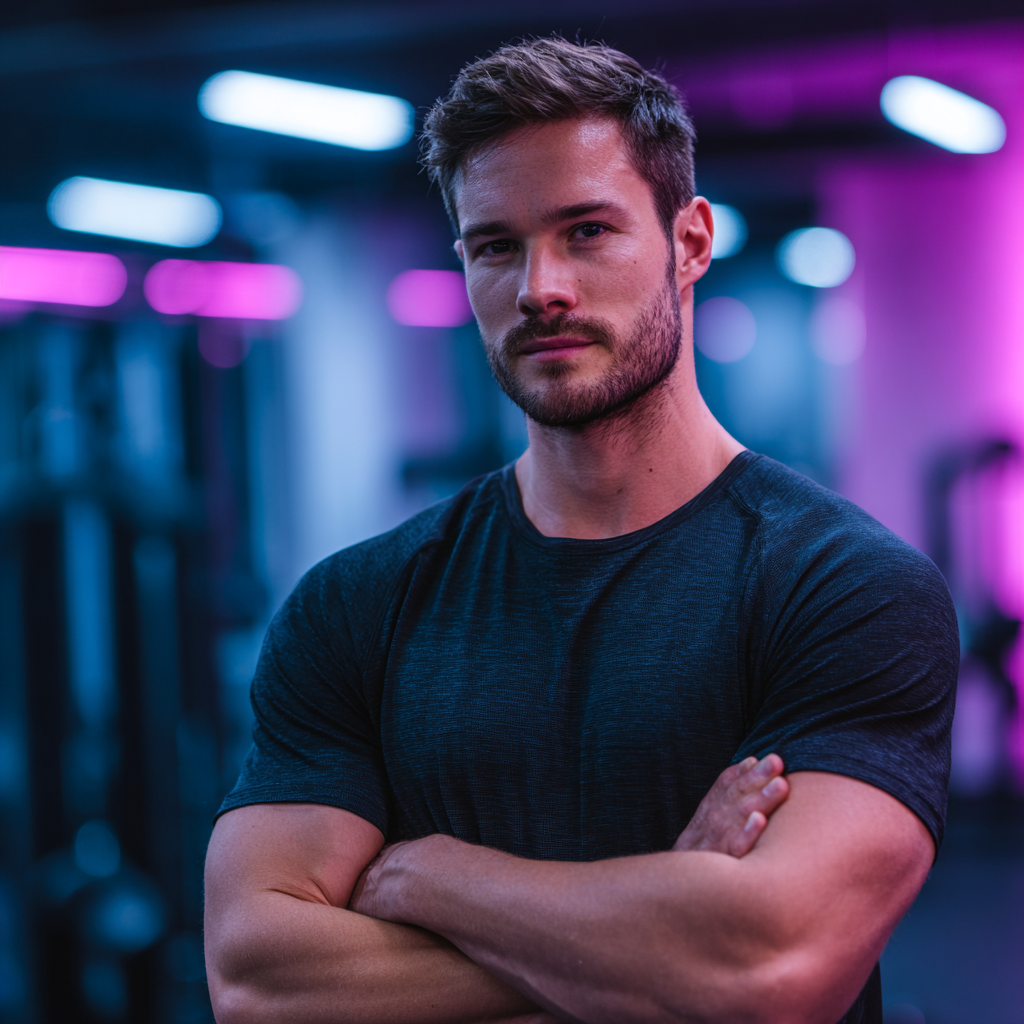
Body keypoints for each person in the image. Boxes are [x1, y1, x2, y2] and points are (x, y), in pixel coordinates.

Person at [204, 37, 958, 1024]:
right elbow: (261, 981)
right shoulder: (356, 605)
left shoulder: (843, 587)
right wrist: (661, 929)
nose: (538, 288)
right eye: (494, 246)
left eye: (587, 231)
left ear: (689, 242)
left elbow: (766, 972)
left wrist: (432, 877)